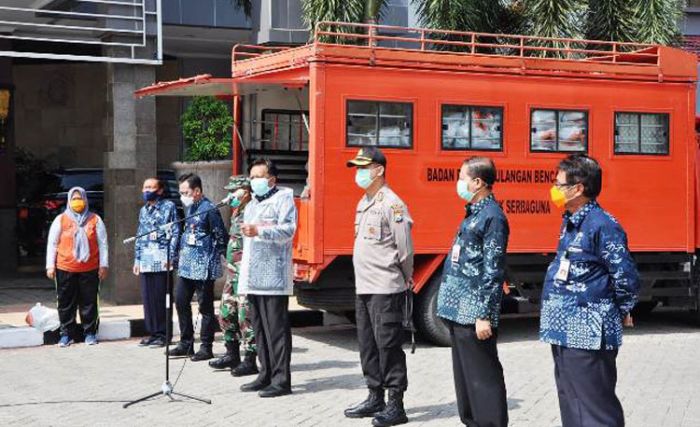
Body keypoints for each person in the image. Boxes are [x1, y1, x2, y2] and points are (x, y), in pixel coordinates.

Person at [540, 154, 640, 427]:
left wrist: (622, 309)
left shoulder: (602, 224)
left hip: (588, 331)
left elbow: (625, 275)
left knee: (595, 407)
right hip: (563, 328)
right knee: (571, 403)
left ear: (579, 187)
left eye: (559, 183)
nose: (554, 188)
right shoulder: (571, 222)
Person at [437, 157, 509, 427]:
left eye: (462, 177)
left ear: (478, 182)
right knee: (466, 379)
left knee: (483, 379)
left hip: (474, 312)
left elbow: (493, 272)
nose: (459, 183)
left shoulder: (493, 217)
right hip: (459, 311)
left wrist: (484, 315)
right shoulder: (474, 212)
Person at [344, 147, 414, 427]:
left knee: (388, 346)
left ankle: (396, 404)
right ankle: (375, 396)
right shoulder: (364, 202)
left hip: (386, 287)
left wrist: (403, 277)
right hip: (364, 287)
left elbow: (405, 249)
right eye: (357, 167)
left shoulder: (392, 204)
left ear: (379, 170)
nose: (359, 173)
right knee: (368, 345)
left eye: (364, 167)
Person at [237, 158, 297, 398]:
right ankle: (265, 373)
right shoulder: (251, 203)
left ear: (271, 179)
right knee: (259, 329)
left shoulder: (284, 199)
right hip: (253, 276)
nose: (253, 181)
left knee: (276, 331)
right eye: (251, 177)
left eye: (258, 177)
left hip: (273, 276)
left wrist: (259, 230)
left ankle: (282, 380)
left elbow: (289, 230)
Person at [171, 173, 228, 361]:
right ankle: (186, 344)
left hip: (204, 267)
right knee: (180, 302)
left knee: (205, 309)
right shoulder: (190, 207)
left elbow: (221, 237)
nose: (182, 196)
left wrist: (221, 260)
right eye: (181, 192)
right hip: (187, 267)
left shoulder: (209, 209)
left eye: (185, 192)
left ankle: (206, 347)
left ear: (197, 191)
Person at [208, 175, 259, 377]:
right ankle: (232, 354)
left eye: (233, 191)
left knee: (245, 316)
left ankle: (250, 359)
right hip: (233, 272)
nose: (230, 195)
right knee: (226, 313)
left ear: (245, 192)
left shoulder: (253, 211)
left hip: (245, 274)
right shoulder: (237, 211)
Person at [46, 187, 108, 347]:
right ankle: (66, 334)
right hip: (65, 268)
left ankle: (90, 333)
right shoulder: (61, 219)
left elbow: (103, 244)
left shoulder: (95, 219)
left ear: (86, 200)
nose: (77, 202)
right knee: (66, 303)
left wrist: (103, 265)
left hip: (90, 268)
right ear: (68, 201)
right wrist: (50, 266)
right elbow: (52, 244)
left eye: (80, 198)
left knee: (89, 302)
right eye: (73, 199)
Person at [133, 177, 180, 348]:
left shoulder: (169, 207)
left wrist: (171, 256)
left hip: (162, 259)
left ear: (160, 190)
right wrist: (137, 259)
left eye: (151, 187)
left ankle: (163, 334)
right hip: (146, 259)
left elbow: (175, 232)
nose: (148, 190)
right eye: (145, 187)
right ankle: (152, 332)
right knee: (148, 298)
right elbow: (139, 236)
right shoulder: (143, 211)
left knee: (161, 297)